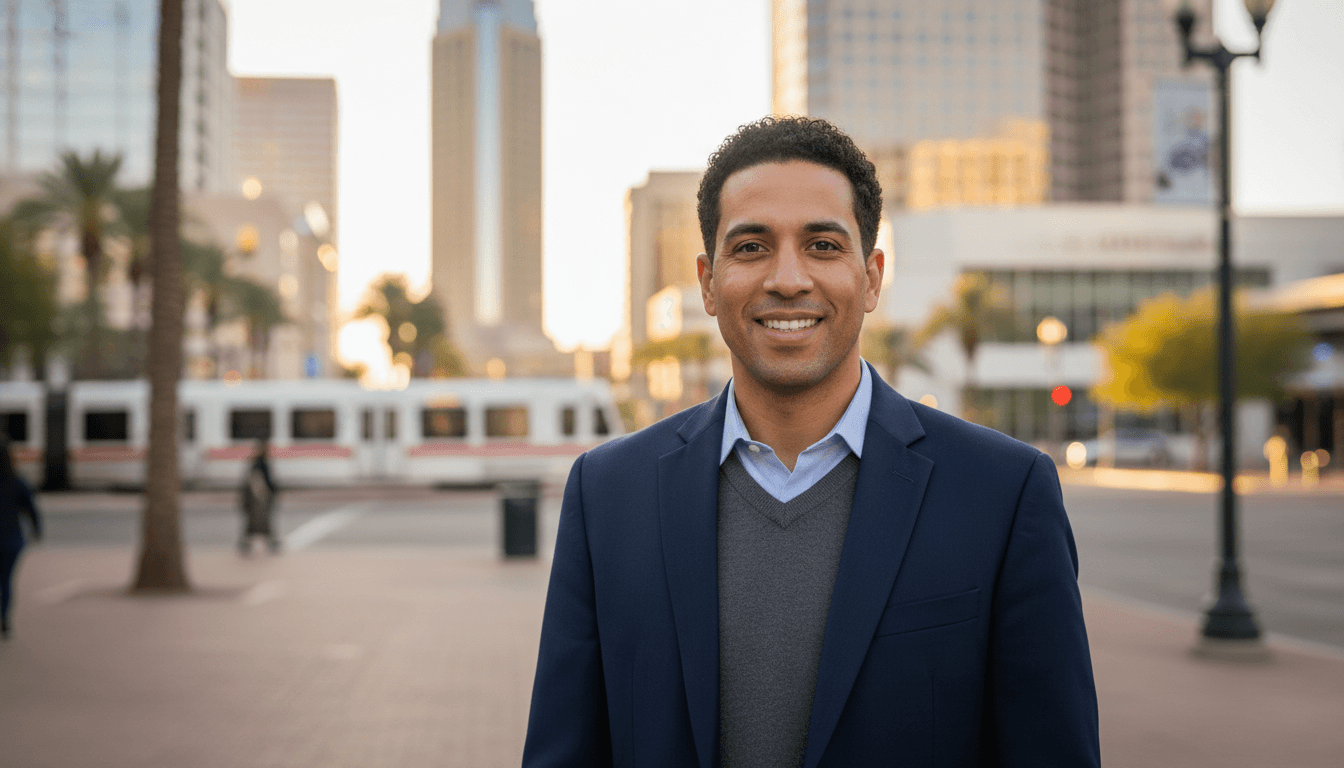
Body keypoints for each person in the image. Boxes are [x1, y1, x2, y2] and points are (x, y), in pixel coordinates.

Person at [523, 117, 1099, 767]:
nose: (788, 278)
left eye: (823, 245)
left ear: (872, 276)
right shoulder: (607, 494)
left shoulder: (1003, 492)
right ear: (709, 283)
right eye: (751, 248)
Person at [1, 435, 42, 639]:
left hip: (10, 539)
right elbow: (32, 510)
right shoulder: (17, 481)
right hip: (11, 540)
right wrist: (37, 531)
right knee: (6, 580)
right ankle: (4, 620)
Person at [238, 438, 279, 555]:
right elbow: (259, 483)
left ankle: (246, 544)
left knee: (255, 524)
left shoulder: (257, 462)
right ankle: (271, 544)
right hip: (260, 500)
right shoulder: (261, 463)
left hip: (258, 500)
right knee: (261, 523)